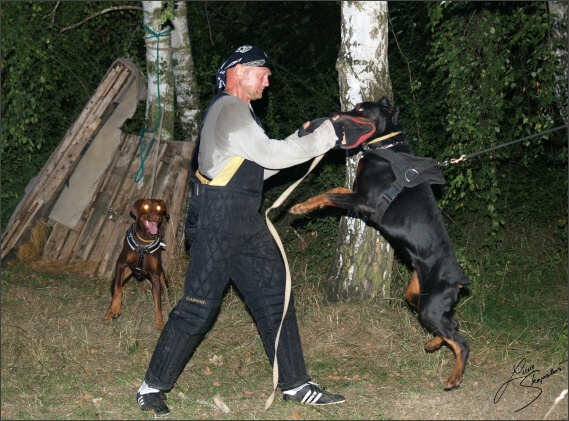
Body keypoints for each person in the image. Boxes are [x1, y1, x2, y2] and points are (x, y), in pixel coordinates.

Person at [136, 45, 374, 416]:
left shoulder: (239, 114)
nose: (268, 79)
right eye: (261, 71)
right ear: (237, 72)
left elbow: (262, 168)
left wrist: (302, 138)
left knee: (274, 297)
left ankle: (296, 384)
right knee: (198, 309)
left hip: (245, 220)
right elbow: (273, 156)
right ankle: (151, 386)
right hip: (218, 223)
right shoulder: (229, 109)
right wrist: (328, 133)